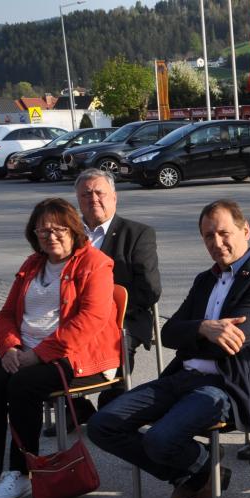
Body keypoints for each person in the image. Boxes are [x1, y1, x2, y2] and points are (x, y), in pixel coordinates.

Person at [87, 200, 250, 498]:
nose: (217, 243)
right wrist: (204, 328)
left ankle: (196, 472)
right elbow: (168, 333)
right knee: (102, 425)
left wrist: (193, 334)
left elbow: (232, 344)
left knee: (159, 440)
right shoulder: (205, 280)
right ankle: (201, 469)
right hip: (183, 377)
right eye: (208, 236)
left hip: (226, 387)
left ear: (246, 230)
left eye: (224, 233)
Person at [0, 198, 121, 498]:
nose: (51, 236)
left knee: (22, 385)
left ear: (74, 230)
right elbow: (6, 315)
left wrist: (39, 355)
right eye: (43, 231)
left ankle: (21, 472)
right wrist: (10, 348)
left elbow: (90, 320)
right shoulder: (32, 264)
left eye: (58, 230)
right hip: (25, 350)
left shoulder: (95, 263)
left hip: (76, 356)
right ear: (34, 234)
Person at [72, 168, 162, 412]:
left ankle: (111, 408)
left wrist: (105, 312)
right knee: (47, 342)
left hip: (123, 318)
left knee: (116, 344)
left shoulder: (137, 234)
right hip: (75, 315)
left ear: (114, 197)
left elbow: (149, 290)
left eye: (99, 193)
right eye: (86, 194)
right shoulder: (69, 234)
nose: (93, 199)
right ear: (78, 200)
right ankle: (75, 409)